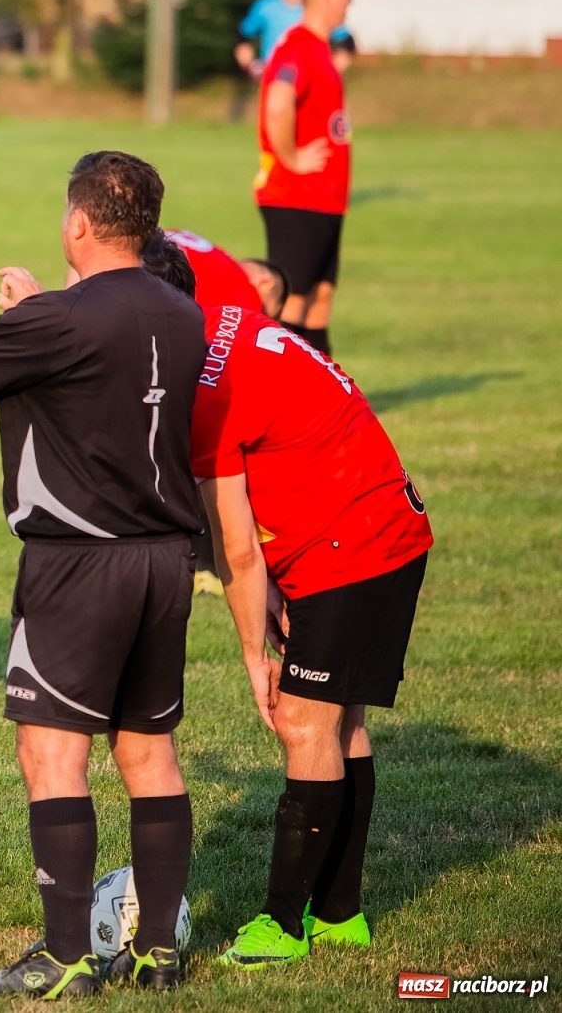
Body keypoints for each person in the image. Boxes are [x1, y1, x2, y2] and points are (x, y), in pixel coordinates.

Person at [0, 152, 205, 999]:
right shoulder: (184, 315)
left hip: (77, 566)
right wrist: (40, 308)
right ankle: (159, 954)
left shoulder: (61, 319)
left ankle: (65, 956)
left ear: (76, 222)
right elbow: (100, 366)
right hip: (166, 562)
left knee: (52, 753)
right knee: (149, 754)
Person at [150, 237, 434, 970]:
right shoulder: (224, 320)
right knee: (341, 722)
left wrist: (253, 657)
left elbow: (237, 552)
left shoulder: (204, 392)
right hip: (387, 526)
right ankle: (341, 913)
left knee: (304, 721)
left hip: (351, 547)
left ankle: (283, 923)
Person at [160, 229, 287, 596]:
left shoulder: (217, 260)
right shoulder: (244, 301)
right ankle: (207, 563)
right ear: (264, 285)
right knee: (208, 445)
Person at [254, 0, 354, 358]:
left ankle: (328, 406)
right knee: (292, 303)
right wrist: (292, 158)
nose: (352, 0)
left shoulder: (320, 49)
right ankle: (276, 408)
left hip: (325, 198)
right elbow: (278, 103)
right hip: (296, 196)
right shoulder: (299, 47)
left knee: (320, 300)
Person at [235, 0, 355, 78]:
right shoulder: (266, 6)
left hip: (311, 74)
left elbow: (345, 40)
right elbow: (244, 34)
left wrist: (330, 69)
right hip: (278, 72)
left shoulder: (317, 10)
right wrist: (251, 65)